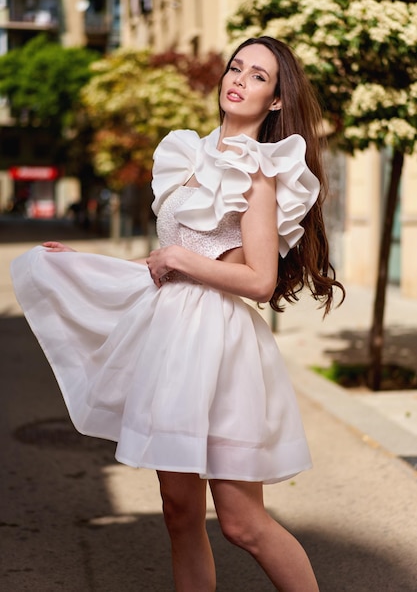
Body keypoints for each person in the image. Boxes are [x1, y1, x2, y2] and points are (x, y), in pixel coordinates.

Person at [11, 36, 344, 591]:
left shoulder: (260, 172)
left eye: (258, 76)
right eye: (236, 67)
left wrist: (179, 258)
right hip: (170, 339)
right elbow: (169, 261)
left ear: (278, 100)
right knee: (179, 513)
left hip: (219, 345)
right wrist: (84, 264)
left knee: (242, 523)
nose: (238, 79)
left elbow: (258, 280)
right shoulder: (189, 152)